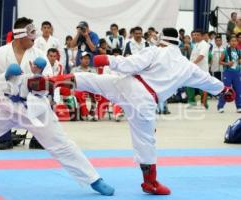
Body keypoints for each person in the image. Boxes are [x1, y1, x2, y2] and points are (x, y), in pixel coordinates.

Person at [47, 27, 235, 196]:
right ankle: (150, 183)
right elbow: (206, 80)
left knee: (93, 81)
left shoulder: (155, 51)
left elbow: (131, 63)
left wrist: (109, 60)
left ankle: (54, 81)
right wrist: (224, 90)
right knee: (146, 141)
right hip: (146, 102)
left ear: (162, 40)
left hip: (129, 85)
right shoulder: (187, 66)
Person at [0, 17, 115, 197]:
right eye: (31, 33)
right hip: (7, 107)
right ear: (19, 35)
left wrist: (37, 77)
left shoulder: (39, 55)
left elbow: (49, 85)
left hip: (34, 108)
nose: (35, 37)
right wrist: (5, 76)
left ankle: (94, 179)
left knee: (62, 144)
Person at [187, 29, 210, 109]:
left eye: (197, 35)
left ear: (202, 36)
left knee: (203, 87)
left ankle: (204, 104)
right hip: (193, 69)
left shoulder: (204, 44)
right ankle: (191, 102)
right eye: (194, 35)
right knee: (189, 85)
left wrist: (193, 63)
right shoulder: (195, 44)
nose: (195, 36)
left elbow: (201, 56)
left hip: (202, 70)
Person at [218, 35, 241, 113]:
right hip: (228, 73)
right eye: (232, 41)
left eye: (235, 41)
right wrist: (228, 64)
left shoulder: (239, 51)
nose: (234, 42)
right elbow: (220, 62)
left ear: (237, 42)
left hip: (237, 73)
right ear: (229, 42)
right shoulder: (225, 51)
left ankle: (239, 106)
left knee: (238, 90)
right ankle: (220, 106)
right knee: (226, 90)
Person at [72, 51, 97, 121]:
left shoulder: (93, 70)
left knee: (96, 94)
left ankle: (91, 113)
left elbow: (96, 81)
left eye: (88, 59)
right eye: (85, 58)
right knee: (80, 94)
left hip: (90, 88)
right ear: (80, 60)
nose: (87, 60)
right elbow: (71, 81)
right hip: (79, 88)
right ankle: (85, 113)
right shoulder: (75, 70)